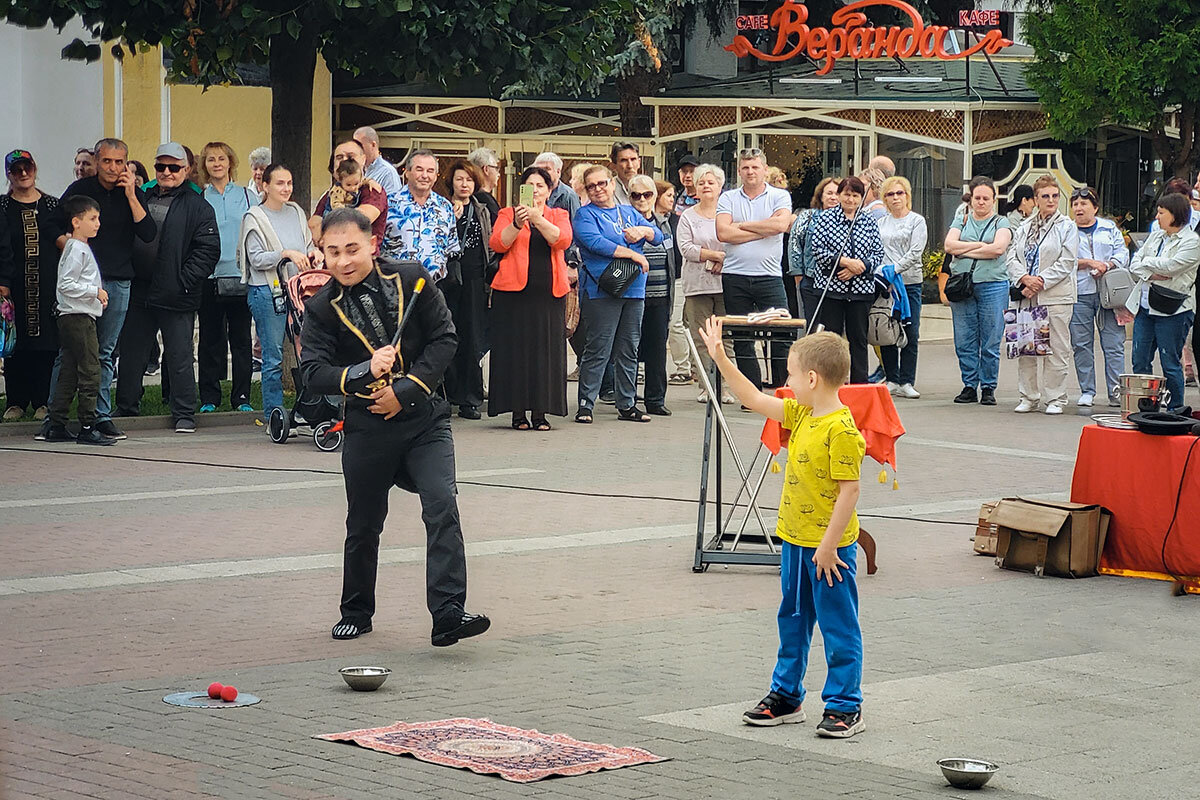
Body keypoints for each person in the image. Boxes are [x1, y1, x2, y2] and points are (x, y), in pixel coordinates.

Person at [299, 207, 491, 645]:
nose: (344, 261)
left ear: (372, 244)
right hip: (367, 429)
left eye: (352, 249)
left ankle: (447, 613)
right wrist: (364, 370)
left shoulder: (414, 279)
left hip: (425, 421)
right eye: (333, 252)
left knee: (442, 505)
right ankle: (356, 610)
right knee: (364, 525)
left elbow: (446, 339)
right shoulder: (322, 307)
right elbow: (311, 373)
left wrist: (405, 389)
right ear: (322, 253)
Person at [698, 320, 866, 739]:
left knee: (838, 625)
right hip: (794, 541)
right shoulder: (801, 412)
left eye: (790, 374)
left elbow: (850, 492)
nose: (784, 381)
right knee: (791, 618)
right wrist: (719, 356)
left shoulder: (842, 429)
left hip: (829, 551)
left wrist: (828, 548)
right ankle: (787, 695)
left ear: (811, 378)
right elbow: (751, 397)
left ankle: (846, 705)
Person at [115, 143, 220, 433]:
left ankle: (185, 413)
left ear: (187, 170)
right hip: (139, 290)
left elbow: (208, 251)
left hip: (177, 293)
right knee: (133, 354)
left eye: (174, 167)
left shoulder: (199, 205)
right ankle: (126, 407)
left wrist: (183, 280)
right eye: (161, 166)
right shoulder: (141, 196)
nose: (166, 172)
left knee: (180, 356)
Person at [57, 138, 157, 441]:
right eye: (107, 161)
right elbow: (52, 226)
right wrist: (72, 246)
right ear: (97, 161)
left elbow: (148, 232)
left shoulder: (132, 191)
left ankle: (100, 417)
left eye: (119, 162)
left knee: (105, 353)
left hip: (118, 281)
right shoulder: (80, 191)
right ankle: (56, 418)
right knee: (70, 354)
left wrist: (130, 194)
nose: (113, 168)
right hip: (82, 285)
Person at [572, 164, 661, 423]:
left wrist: (644, 230)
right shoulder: (585, 215)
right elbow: (595, 243)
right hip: (602, 289)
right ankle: (586, 404)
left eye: (602, 183)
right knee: (599, 347)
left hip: (633, 288)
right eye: (592, 186)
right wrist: (633, 252)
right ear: (586, 190)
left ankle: (627, 403)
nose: (598, 189)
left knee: (629, 347)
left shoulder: (628, 211)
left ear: (613, 184)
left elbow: (658, 236)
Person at [488, 166, 573, 430]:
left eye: (540, 186)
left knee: (545, 353)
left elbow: (562, 240)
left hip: (549, 294)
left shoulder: (558, 214)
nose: (535, 190)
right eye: (530, 185)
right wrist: (518, 223)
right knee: (515, 352)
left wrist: (538, 218)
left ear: (549, 191)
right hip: (513, 294)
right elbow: (497, 244)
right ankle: (517, 413)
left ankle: (540, 412)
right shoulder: (507, 213)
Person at [240, 164, 323, 423]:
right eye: (280, 183)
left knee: (307, 351)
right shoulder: (254, 217)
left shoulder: (297, 212)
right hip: (267, 291)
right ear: (265, 186)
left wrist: (314, 252)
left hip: (297, 290)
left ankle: (308, 411)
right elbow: (255, 258)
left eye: (289, 183)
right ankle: (274, 416)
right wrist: (285, 254)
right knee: (273, 357)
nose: (286, 188)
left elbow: (307, 243)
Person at [716, 148, 794, 388]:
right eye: (746, 167)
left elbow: (780, 225)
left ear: (765, 170)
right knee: (742, 337)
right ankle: (752, 390)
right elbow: (723, 233)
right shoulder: (728, 198)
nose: (750, 172)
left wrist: (742, 226)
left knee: (781, 333)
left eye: (755, 167)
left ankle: (784, 390)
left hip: (769, 276)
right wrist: (763, 229)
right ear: (739, 171)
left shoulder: (779, 196)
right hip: (735, 276)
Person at [1006, 174, 1078, 415]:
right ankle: (1028, 396)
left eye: (1055, 196)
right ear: (1035, 199)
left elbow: (1067, 261)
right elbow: (1011, 257)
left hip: (1055, 296)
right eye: (1045, 196)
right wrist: (1024, 278)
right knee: (1027, 348)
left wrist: (1040, 281)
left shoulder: (1066, 226)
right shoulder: (1024, 226)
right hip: (1026, 294)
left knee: (1056, 348)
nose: (1051, 200)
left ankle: (1056, 398)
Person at [44, 195, 112, 445]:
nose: (98, 224)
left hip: (75, 315)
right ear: (76, 222)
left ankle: (57, 423)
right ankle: (87, 425)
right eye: (92, 219)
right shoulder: (76, 249)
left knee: (70, 371)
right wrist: (95, 292)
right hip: (78, 317)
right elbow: (66, 284)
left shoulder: (79, 247)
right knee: (90, 370)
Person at [0, 150, 61, 421]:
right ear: (8, 175)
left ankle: (42, 401)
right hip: (12, 287)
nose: (23, 173)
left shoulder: (51, 205)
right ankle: (15, 401)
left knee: (46, 343)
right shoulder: (2, 207)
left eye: (27, 167)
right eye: (16, 169)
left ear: (35, 169)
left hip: (47, 285)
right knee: (15, 343)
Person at [1127, 192, 1199, 413]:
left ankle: (1176, 409)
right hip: (1146, 306)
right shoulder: (1156, 235)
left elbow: (1173, 266)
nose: (1157, 217)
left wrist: (1147, 265)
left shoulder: (1192, 241)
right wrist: (1150, 271)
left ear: (1175, 214)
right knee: (1139, 360)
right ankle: (1146, 408)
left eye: (1161, 213)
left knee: (1170, 362)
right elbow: (1134, 264)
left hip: (1174, 309)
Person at [944, 176, 1013, 406]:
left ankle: (988, 387)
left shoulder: (1002, 223)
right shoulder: (961, 219)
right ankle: (969, 385)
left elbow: (998, 249)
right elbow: (949, 246)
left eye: (986, 198)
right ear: (970, 199)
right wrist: (980, 247)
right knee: (964, 338)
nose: (981, 202)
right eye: (977, 198)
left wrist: (964, 251)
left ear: (994, 200)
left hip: (993, 285)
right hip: (962, 286)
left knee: (991, 339)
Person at [198, 141, 256, 413]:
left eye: (221, 158)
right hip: (209, 278)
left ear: (230, 162)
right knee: (210, 340)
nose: (217, 163)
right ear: (205, 164)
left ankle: (242, 397)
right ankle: (209, 397)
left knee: (241, 339)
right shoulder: (200, 197)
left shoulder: (247, 196)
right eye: (211, 159)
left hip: (241, 276)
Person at [808, 176, 885, 384]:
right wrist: (844, 262)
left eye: (855, 195)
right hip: (831, 288)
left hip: (861, 290)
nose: (850, 200)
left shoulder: (868, 221)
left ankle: (860, 384)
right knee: (832, 340)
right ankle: (831, 383)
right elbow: (819, 251)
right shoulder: (825, 219)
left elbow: (877, 253)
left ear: (861, 198)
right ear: (839, 195)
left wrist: (856, 269)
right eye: (847, 194)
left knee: (858, 339)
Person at [677, 163, 736, 405]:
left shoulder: (731, 214)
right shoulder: (687, 217)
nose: (706, 186)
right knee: (701, 338)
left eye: (711, 182)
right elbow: (686, 248)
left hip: (727, 285)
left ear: (721, 186)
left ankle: (727, 388)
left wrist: (726, 258)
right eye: (701, 183)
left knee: (727, 338)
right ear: (695, 189)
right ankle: (707, 387)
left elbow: (737, 242)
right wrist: (716, 256)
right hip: (697, 286)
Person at [441, 159, 492, 420]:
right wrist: (452, 217)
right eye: (460, 179)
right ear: (451, 181)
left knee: (471, 338)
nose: (464, 184)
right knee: (444, 335)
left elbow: (489, 243)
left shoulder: (482, 209)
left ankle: (469, 399)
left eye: (469, 180)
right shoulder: (440, 208)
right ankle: (443, 395)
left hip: (473, 278)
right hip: (446, 279)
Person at [1069, 186, 1129, 408]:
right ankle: (1087, 390)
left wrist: (1108, 265)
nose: (1079, 208)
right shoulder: (1067, 230)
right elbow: (1062, 260)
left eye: (1084, 204)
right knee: (1081, 343)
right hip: (1079, 294)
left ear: (1095, 207)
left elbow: (1122, 253)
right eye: (1075, 204)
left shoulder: (1109, 228)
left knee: (1113, 344)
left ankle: (1116, 392)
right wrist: (1087, 263)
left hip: (1109, 294)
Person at [876, 176, 928, 399]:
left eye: (900, 193)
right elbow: (876, 250)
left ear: (907, 195)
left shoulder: (917, 221)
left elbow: (915, 252)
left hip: (909, 283)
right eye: (890, 194)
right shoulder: (880, 223)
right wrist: (882, 274)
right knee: (886, 331)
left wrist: (894, 270)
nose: (895, 198)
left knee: (910, 330)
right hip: (886, 286)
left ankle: (907, 380)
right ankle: (892, 378)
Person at [629, 175, 675, 416]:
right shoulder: (623, 221)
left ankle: (656, 400)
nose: (642, 199)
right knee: (630, 350)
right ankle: (627, 400)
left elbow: (671, 261)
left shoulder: (664, 224)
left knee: (657, 350)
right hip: (631, 296)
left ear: (654, 196)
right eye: (636, 195)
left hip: (660, 295)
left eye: (647, 194)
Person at [385, 150, 461, 282]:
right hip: (395, 285)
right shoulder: (388, 204)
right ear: (407, 172)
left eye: (430, 171)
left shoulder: (445, 207)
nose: (425, 175)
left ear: (436, 176)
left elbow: (451, 248)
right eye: (419, 169)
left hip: (435, 287)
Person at [311, 139, 388, 254]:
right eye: (339, 157)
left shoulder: (373, 191)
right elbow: (313, 225)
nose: (345, 161)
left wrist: (325, 231)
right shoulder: (331, 193)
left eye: (351, 156)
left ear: (363, 160)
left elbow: (358, 220)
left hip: (362, 263)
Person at [655, 179, 693, 386]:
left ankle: (683, 368)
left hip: (677, 277)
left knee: (676, 322)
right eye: (668, 195)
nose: (672, 200)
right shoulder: (648, 219)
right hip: (655, 279)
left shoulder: (677, 221)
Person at [790, 176, 841, 323]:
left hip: (838, 282)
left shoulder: (848, 219)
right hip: (810, 279)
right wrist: (798, 275)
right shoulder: (808, 216)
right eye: (829, 193)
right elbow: (795, 244)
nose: (833, 197)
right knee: (812, 325)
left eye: (837, 193)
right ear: (821, 196)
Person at [352, 126, 403, 199]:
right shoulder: (357, 169)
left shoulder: (388, 173)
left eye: (360, 145)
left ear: (373, 145)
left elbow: (393, 205)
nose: (356, 149)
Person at [532, 152, 580, 218]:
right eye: (539, 169)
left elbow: (575, 224)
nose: (542, 173)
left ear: (558, 172)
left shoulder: (569, 195)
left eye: (547, 169)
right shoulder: (531, 192)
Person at [467, 147, 502, 218]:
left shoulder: (468, 196)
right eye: (496, 169)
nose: (498, 174)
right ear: (486, 169)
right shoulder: (484, 200)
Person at [610, 142, 641, 206]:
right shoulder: (608, 190)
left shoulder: (649, 187)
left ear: (639, 162)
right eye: (624, 160)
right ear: (614, 165)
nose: (630, 166)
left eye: (633, 159)